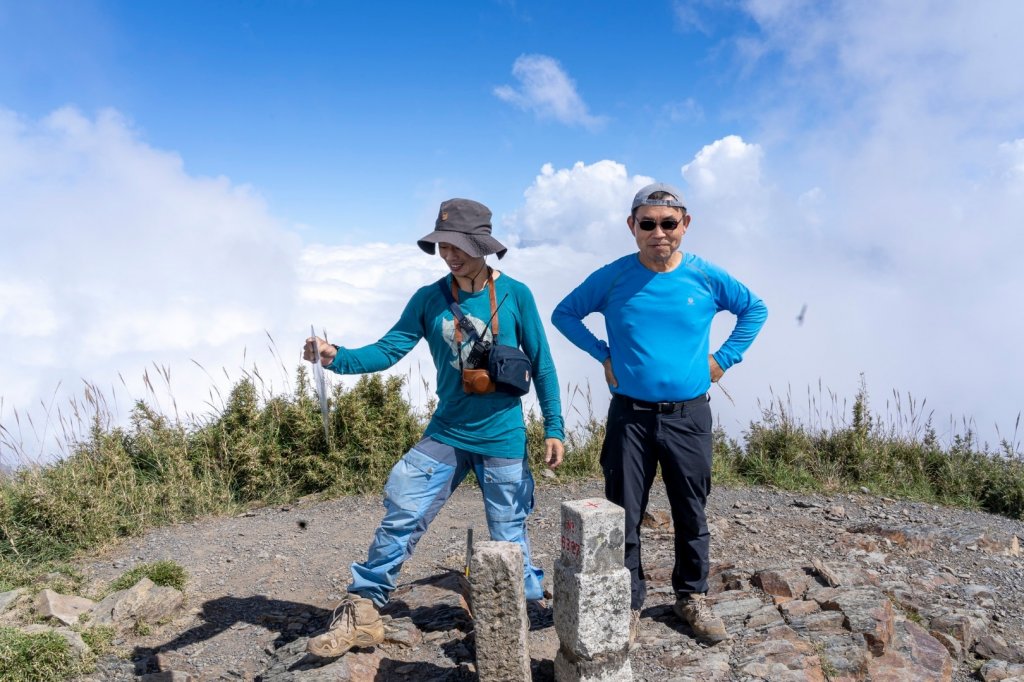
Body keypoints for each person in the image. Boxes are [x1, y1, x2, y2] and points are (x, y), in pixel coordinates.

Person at [302, 198, 565, 658]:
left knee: (508, 533)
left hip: (503, 435)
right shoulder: (429, 299)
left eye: (459, 245)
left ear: (483, 245)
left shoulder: (516, 294)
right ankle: (363, 606)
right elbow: (387, 350)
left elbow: (542, 364)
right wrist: (335, 356)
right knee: (403, 509)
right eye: (443, 245)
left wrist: (554, 426)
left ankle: (522, 604)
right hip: (447, 432)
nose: (450, 254)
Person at [551, 182, 766, 644]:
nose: (659, 232)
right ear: (632, 227)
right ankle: (628, 600)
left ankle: (692, 596)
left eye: (669, 223)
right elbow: (565, 314)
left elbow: (754, 309)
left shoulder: (705, 276)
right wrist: (602, 353)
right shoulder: (613, 277)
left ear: (685, 225)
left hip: (689, 415)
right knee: (625, 512)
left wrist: (724, 360)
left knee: (691, 510)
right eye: (647, 224)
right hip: (630, 415)